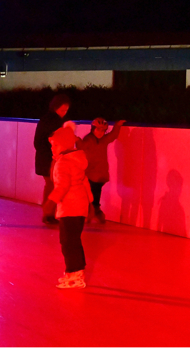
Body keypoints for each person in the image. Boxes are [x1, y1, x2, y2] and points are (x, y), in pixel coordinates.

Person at [44, 125, 93, 289]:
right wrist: (90, 203)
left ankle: (75, 275)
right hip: (79, 208)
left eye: (55, 145)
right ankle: (74, 273)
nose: (53, 148)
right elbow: (85, 182)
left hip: (70, 208)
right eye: (52, 145)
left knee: (68, 242)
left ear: (64, 145)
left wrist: (51, 202)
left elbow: (62, 186)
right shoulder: (76, 160)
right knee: (73, 241)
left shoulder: (64, 163)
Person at [79, 118, 125, 224]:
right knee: (90, 195)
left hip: (100, 174)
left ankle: (94, 211)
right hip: (90, 173)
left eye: (103, 131)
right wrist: (76, 140)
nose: (100, 133)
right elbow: (81, 148)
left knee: (95, 195)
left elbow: (112, 136)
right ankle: (92, 212)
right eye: (98, 130)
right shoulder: (88, 140)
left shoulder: (104, 140)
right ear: (93, 129)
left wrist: (117, 125)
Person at [34, 94, 71, 224]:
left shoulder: (46, 119)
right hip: (50, 159)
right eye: (62, 110)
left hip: (45, 158)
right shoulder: (54, 122)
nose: (64, 113)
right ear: (56, 108)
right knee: (53, 185)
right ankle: (49, 213)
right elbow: (59, 140)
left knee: (51, 185)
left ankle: (50, 213)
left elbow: (37, 142)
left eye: (66, 111)